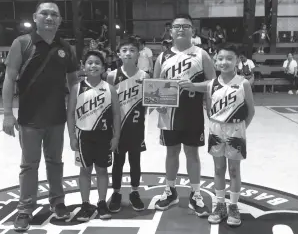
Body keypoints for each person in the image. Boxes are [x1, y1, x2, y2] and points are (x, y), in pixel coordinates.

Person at [2, 0, 79, 231]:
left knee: (56, 163)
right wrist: (7, 113)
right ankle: (25, 209)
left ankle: (58, 202)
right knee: (29, 165)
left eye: (54, 15)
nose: (49, 18)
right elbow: (9, 77)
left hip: (56, 118)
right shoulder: (22, 43)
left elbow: (74, 82)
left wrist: (74, 114)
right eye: (44, 13)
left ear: (60, 20)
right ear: (35, 18)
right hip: (29, 119)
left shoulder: (66, 48)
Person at [153, 14, 216, 216]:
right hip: (168, 114)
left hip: (192, 113)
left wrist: (194, 86)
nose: (181, 29)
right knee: (171, 152)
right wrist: (158, 103)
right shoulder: (162, 57)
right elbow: (155, 85)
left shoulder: (201, 54)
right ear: (170, 31)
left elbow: (215, 84)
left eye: (185, 26)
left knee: (192, 153)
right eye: (177, 26)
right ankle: (170, 190)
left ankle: (195, 194)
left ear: (193, 31)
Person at [67, 50, 121, 221]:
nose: (93, 66)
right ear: (83, 66)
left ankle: (102, 202)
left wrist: (116, 136)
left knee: (102, 170)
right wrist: (72, 137)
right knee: (85, 170)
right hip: (84, 136)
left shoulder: (109, 88)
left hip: (104, 136)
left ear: (104, 67)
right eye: (89, 62)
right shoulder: (77, 88)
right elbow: (70, 115)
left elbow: (116, 115)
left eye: (97, 63)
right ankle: (84, 204)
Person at [206, 44, 255, 226]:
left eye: (229, 58)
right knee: (218, 169)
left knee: (234, 170)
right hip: (216, 128)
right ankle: (220, 204)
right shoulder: (211, 84)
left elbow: (251, 111)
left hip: (236, 129)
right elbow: (209, 109)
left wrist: (241, 129)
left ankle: (233, 205)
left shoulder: (243, 83)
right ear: (215, 60)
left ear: (237, 60)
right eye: (220, 58)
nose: (224, 62)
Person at [106, 38, 149, 213]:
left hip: (136, 126)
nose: (128, 53)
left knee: (135, 160)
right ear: (119, 54)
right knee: (118, 161)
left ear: (138, 53)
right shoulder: (112, 76)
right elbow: (107, 102)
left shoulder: (144, 76)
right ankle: (116, 192)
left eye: (132, 50)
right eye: (124, 50)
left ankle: (134, 191)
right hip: (118, 127)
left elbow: (147, 102)